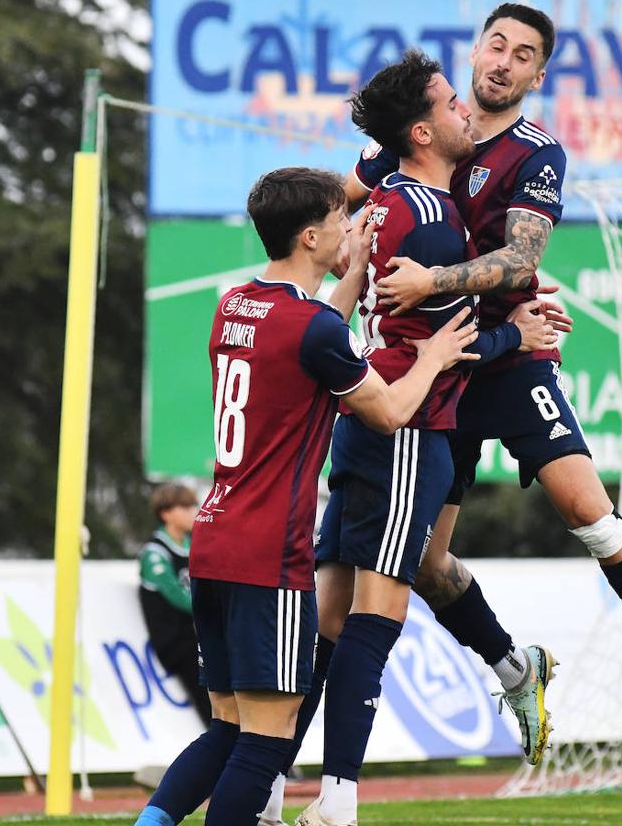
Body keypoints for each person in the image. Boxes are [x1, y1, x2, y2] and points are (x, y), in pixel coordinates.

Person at [355, 2, 622, 754]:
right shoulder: (424, 132)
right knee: (426, 563)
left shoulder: (536, 153)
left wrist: (432, 280)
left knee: (589, 512)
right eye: (495, 44)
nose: (503, 61)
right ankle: (512, 667)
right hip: (438, 363)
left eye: (522, 54)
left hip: (510, 354)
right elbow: (351, 210)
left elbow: (521, 262)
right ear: (475, 52)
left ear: (538, 74)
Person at [133, 166, 478, 826]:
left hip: (214, 541)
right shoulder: (314, 331)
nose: (353, 225)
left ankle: (150, 823)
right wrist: (433, 356)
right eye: (342, 220)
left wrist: (353, 270)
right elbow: (388, 411)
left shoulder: (236, 304)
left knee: (229, 730)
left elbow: (315, 331)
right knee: (268, 742)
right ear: (312, 234)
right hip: (269, 553)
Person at [282, 51, 559, 826]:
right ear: (421, 130)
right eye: (448, 102)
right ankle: (339, 798)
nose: (465, 107)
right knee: (379, 615)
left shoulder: (385, 203)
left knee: (329, 625)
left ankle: (269, 787)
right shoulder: (435, 221)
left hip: (363, 424)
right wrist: (520, 337)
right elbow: (454, 345)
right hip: (410, 430)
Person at [138, 483, 209, 725]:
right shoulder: (155, 553)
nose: (193, 512)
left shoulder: (197, 544)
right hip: (178, 643)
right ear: (166, 513)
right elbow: (178, 596)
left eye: (193, 505)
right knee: (211, 704)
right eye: (185, 507)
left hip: (201, 637)